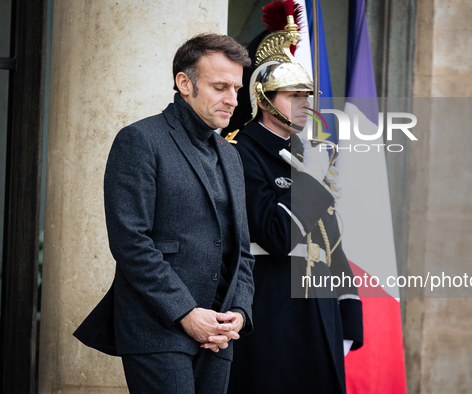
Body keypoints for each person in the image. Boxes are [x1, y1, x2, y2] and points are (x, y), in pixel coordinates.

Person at [73, 33, 255, 394]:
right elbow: (131, 243)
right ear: (184, 83)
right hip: (157, 328)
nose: (233, 99)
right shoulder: (140, 139)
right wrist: (188, 313)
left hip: (219, 334)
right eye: (220, 87)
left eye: (237, 88)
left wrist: (239, 312)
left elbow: (242, 251)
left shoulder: (230, 154)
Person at [224, 3, 363, 393]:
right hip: (273, 309)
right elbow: (278, 237)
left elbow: (328, 235)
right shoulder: (240, 151)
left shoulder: (307, 154)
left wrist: (348, 309)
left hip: (318, 308)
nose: (306, 103)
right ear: (264, 97)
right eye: (294, 95)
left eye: (307, 94)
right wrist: (309, 184)